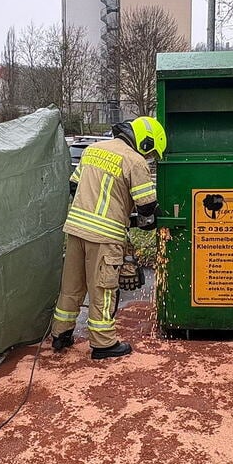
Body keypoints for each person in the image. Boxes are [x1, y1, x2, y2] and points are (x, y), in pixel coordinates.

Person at [50, 117, 166, 360]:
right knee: (103, 289)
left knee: (72, 285)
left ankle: (61, 334)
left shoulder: (92, 150)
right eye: (152, 152)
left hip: (75, 229)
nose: (150, 157)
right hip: (105, 236)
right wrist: (149, 221)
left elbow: (74, 186)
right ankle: (104, 343)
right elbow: (147, 208)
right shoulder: (135, 161)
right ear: (146, 143)